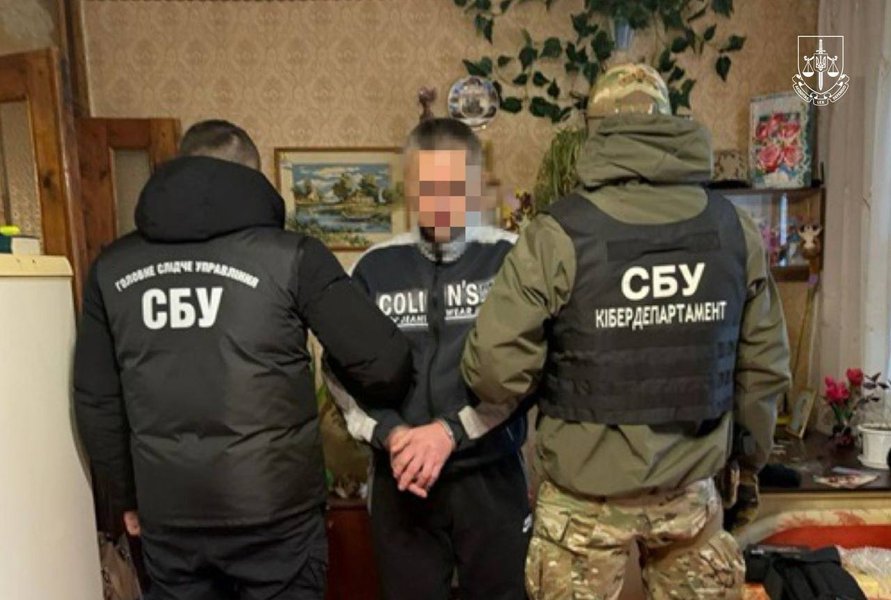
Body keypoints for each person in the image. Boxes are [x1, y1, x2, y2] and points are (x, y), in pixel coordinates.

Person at [461, 64, 791, 599]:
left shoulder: (557, 233)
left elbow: (494, 373)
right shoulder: (735, 230)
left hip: (581, 501)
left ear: (595, 129)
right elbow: (764, 369)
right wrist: (748, 461)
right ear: (667, 122)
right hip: (690, 490)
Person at [73, 120, 412, 600]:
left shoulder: (111, 267)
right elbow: (383, 362)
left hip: (170, 517)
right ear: (253, 177)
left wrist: (127, 497)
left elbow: (96, 400)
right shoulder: (294, 256)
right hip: (277, 514)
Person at [326, 117, 531, 600]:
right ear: (408, 185)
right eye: (426, 186)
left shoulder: (510, 260)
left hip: (490, 475)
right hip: (402, 480)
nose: (439, 200)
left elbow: (532, 367)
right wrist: (391, 434)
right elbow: (338, 369)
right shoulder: (374, 268)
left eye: (453, 187)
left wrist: (451, 432)